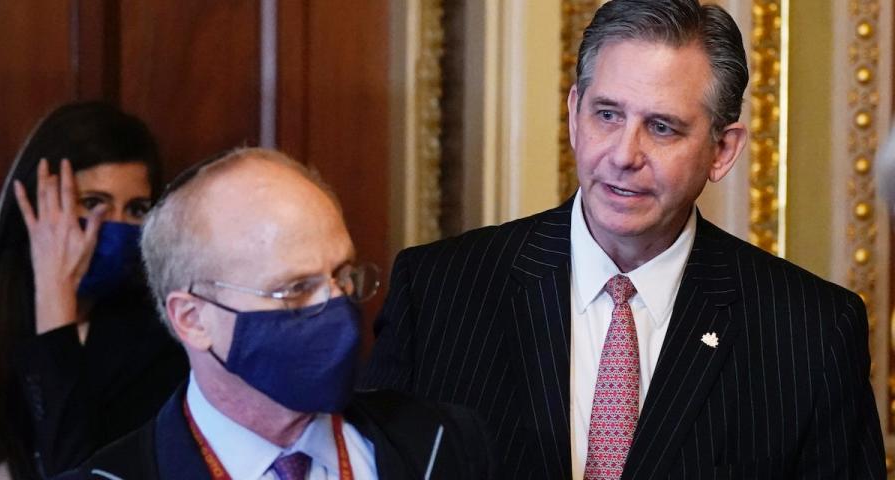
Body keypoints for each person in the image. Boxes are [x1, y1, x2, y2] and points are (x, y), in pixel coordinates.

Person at [361, 0, 886, 478]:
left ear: (722, 150)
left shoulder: (811, 331)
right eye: (607, 115)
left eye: (661, 128)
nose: (623, 154)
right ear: (573, 113)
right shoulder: (438, 290)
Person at [57, 148, 496, 479]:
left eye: (342, 276)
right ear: (192, 319)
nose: (335, 306)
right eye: (295, 290)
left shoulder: (446, 442)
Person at [0, 101, 188, 479]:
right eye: (92, 203)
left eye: (136, 209)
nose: (114, 227)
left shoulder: (159, 347)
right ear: (33, 206)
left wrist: (57, 315)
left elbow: (79, 471)